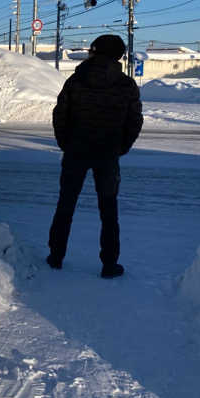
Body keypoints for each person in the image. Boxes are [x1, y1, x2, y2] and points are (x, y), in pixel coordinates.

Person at [47, 34, 143, 278]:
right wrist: (121, 147)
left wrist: (66, 144)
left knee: (65, 205)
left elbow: (60, 114)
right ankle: (109, 264)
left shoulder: (76, 80)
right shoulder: (125, 84)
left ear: (94, 52)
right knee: (109, 210)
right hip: (108, 153)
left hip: (76, 151)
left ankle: (56, 257)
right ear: (118, 55)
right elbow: (134, 121)